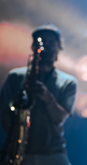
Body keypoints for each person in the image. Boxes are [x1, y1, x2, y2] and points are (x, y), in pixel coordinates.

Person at [0, 24, 77, 165]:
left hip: (52, 153)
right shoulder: (15, 77)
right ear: (33, 47)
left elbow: (59, 118)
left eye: (50, 42)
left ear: (58, 47)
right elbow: (4, 112)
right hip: (20, 152)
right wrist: (17, 140)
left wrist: (47, 97)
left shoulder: (68, 82)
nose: (45, 46)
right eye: (41, 41)